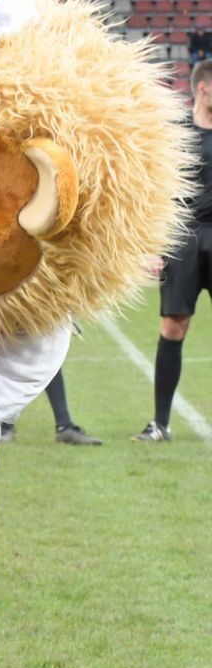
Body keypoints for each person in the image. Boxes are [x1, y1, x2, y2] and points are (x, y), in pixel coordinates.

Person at [137, 58, 212, 442]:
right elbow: (159, 193)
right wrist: (153, 246)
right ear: (203, 88)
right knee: (173, 326)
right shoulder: (179, 133)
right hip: (184, 236)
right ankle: (161, 424)